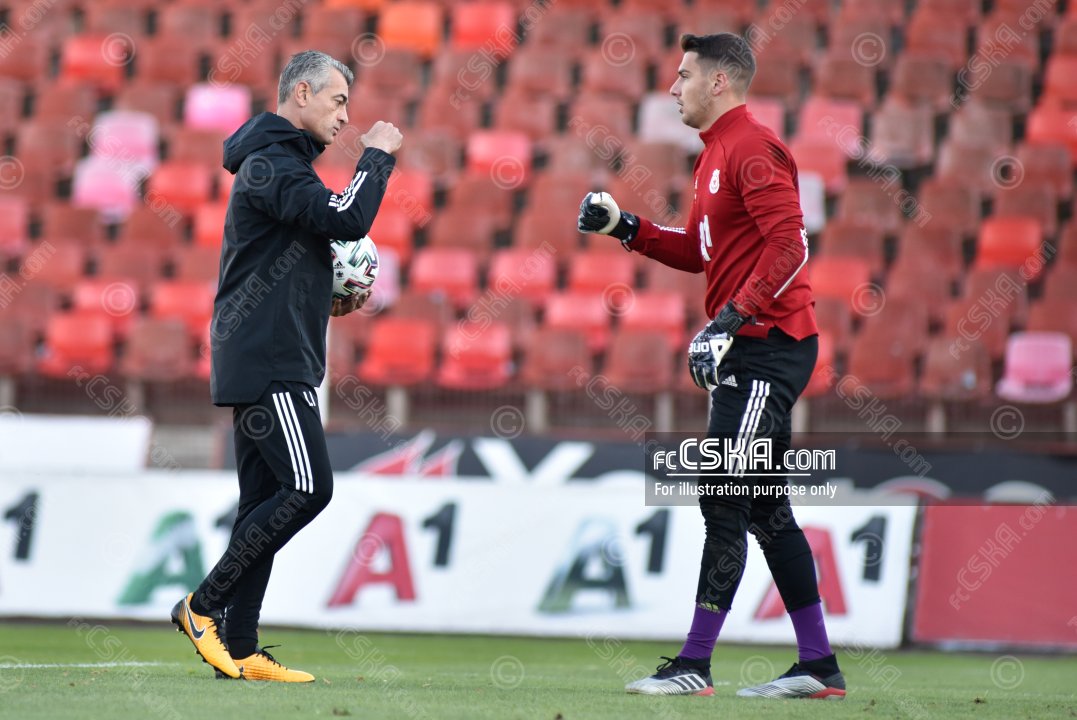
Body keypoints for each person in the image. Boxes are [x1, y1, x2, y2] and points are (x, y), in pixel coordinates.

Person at [577, 33, 845, 700]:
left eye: (684, 75)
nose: (673, 87)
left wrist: (728, 320)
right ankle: (817, 665)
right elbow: (702, 255)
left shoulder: (751, 147)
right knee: (764, 507)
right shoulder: (714, 154)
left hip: (767, 345)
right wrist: (625, 227)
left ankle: (695, 664)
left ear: (719, 81)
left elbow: (790, 245)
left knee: (722, 492)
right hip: (749, 345)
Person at [170, 50, 403, 682]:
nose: (345, 116)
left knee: (263, 503)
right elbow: (347, 218)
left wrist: (326, 294)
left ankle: (242, 648)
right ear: (301, 93)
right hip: (271, 362)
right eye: (338, 101)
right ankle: (202, 605)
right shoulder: (272, 163)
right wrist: (377, 157)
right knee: (308, 489)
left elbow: (286, 258)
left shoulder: (278, 163)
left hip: (267, 354)